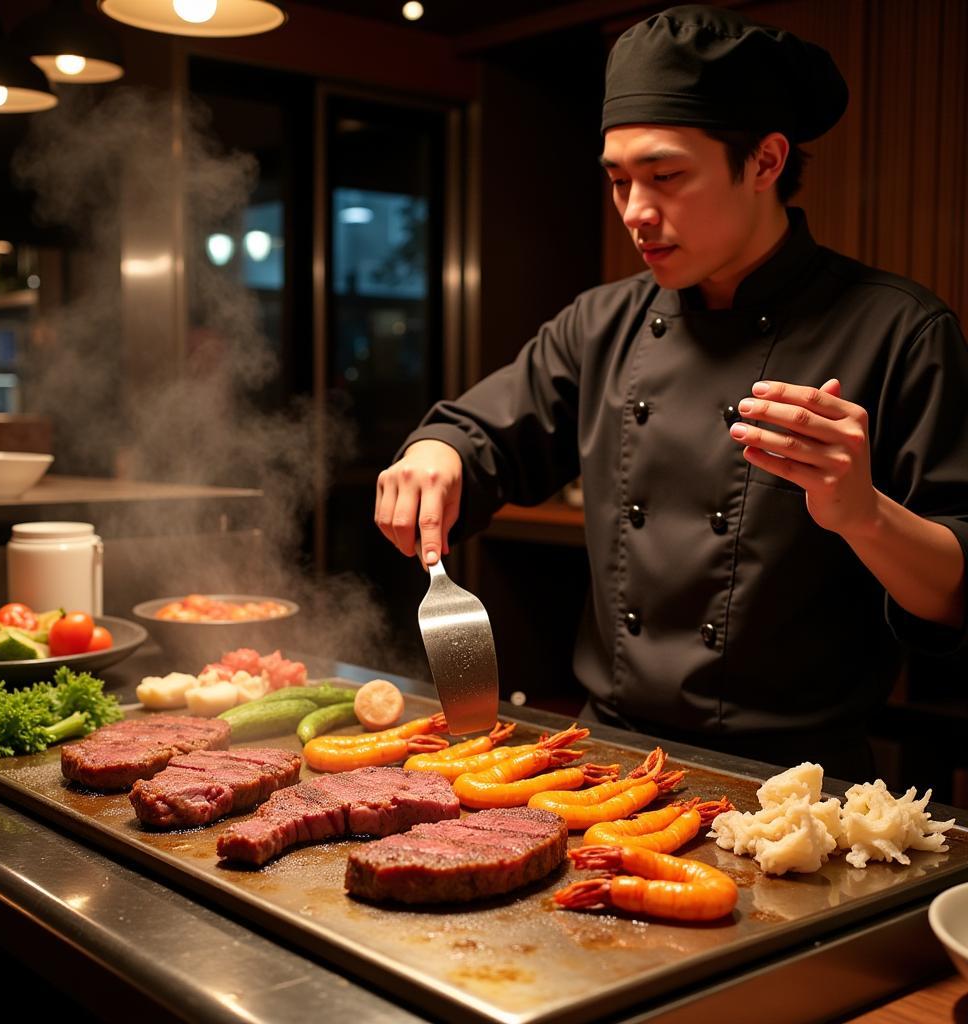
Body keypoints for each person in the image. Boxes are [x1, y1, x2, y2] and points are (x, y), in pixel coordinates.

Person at [374, 5, 968, 779]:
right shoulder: (603, 320)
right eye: (618, 181)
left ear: (764, 161)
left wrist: (864, 514)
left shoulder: (900, 330)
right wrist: (435, 451)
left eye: (666, 177)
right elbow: (481, 432)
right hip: (606, 756)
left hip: (801, 784)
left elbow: (955, 593)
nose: (635, 213)